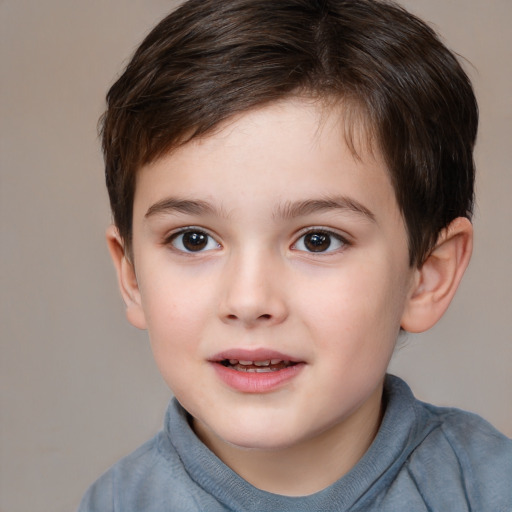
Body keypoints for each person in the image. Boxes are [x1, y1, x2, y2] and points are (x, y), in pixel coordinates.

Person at [79, 0, 512, 510]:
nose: (247, 300)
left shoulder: (488, 488)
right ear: (131, 276)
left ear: (426, 277)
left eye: (317, 240)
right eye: (193, 239)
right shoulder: (116, 503)